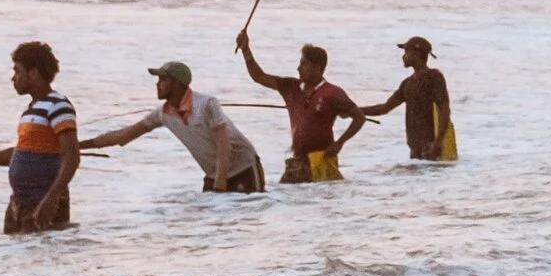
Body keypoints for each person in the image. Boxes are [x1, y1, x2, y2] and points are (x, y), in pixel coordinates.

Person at [80, 58, 267, 193]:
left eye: (163, 79)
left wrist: (219, 187)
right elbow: (124, 136)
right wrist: (79, 145)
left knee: (245, 221)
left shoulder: (207, 104)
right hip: (214, 175)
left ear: (177, 84)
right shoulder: (163, 113)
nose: (157, 84)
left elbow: (223, 145)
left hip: (244, 168)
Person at [0, 39, 79, 233]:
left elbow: (72, 156)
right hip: (19, 205)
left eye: (17, 71)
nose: (13, 78)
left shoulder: (58, 105)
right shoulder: (31, 110)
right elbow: (20, 154)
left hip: (42, 204)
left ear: (34, 74)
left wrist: (51, 199)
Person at [235, 28, 365, 181]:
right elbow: (259, 76)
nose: (298, 68)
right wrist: (246, 50)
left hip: (321, 160)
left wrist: (339, 143)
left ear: (317, 67)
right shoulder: (290, 87)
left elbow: (359, 117)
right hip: (297, 162)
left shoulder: (333, 93)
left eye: (304, 64)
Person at [359, 37, 455, 162]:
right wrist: (355, 110)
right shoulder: (407, 83)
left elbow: (444, 109)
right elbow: (384, 108)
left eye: (406, 52)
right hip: (415, 149)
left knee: (428, 178)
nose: (403, 57)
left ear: (417, 54)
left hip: (431, 147)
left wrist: (438, 141)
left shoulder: (434, 77)